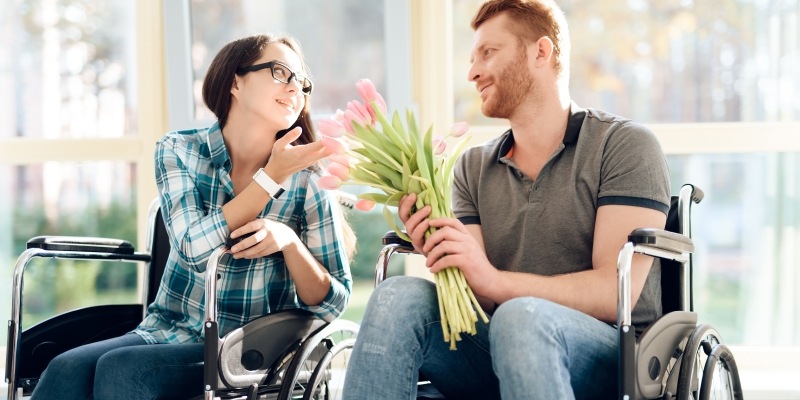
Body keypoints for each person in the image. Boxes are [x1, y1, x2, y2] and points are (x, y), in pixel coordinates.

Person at [343, 1, 670, 399]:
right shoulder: (472, 168)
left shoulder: (622, 146)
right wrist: (442, 249)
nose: (472, 72)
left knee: (520, 315)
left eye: (488, 53)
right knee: (397, 296)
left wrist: (496, 281)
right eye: (472, 58)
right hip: (497, 347)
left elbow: (613, 293)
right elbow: (479, 296)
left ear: (541, 52)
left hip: (609, 357)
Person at [31, 33, 354, 400]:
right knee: (65, 367)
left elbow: (332, 302)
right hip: (166, 330)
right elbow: (191, 249)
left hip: (249, 349)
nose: (296, 87)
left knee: (123, 369)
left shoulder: (309, 183)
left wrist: (289, 242)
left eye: (302, 82)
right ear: (235, 81)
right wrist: (270, 178)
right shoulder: (180, 150)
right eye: (281, 72)